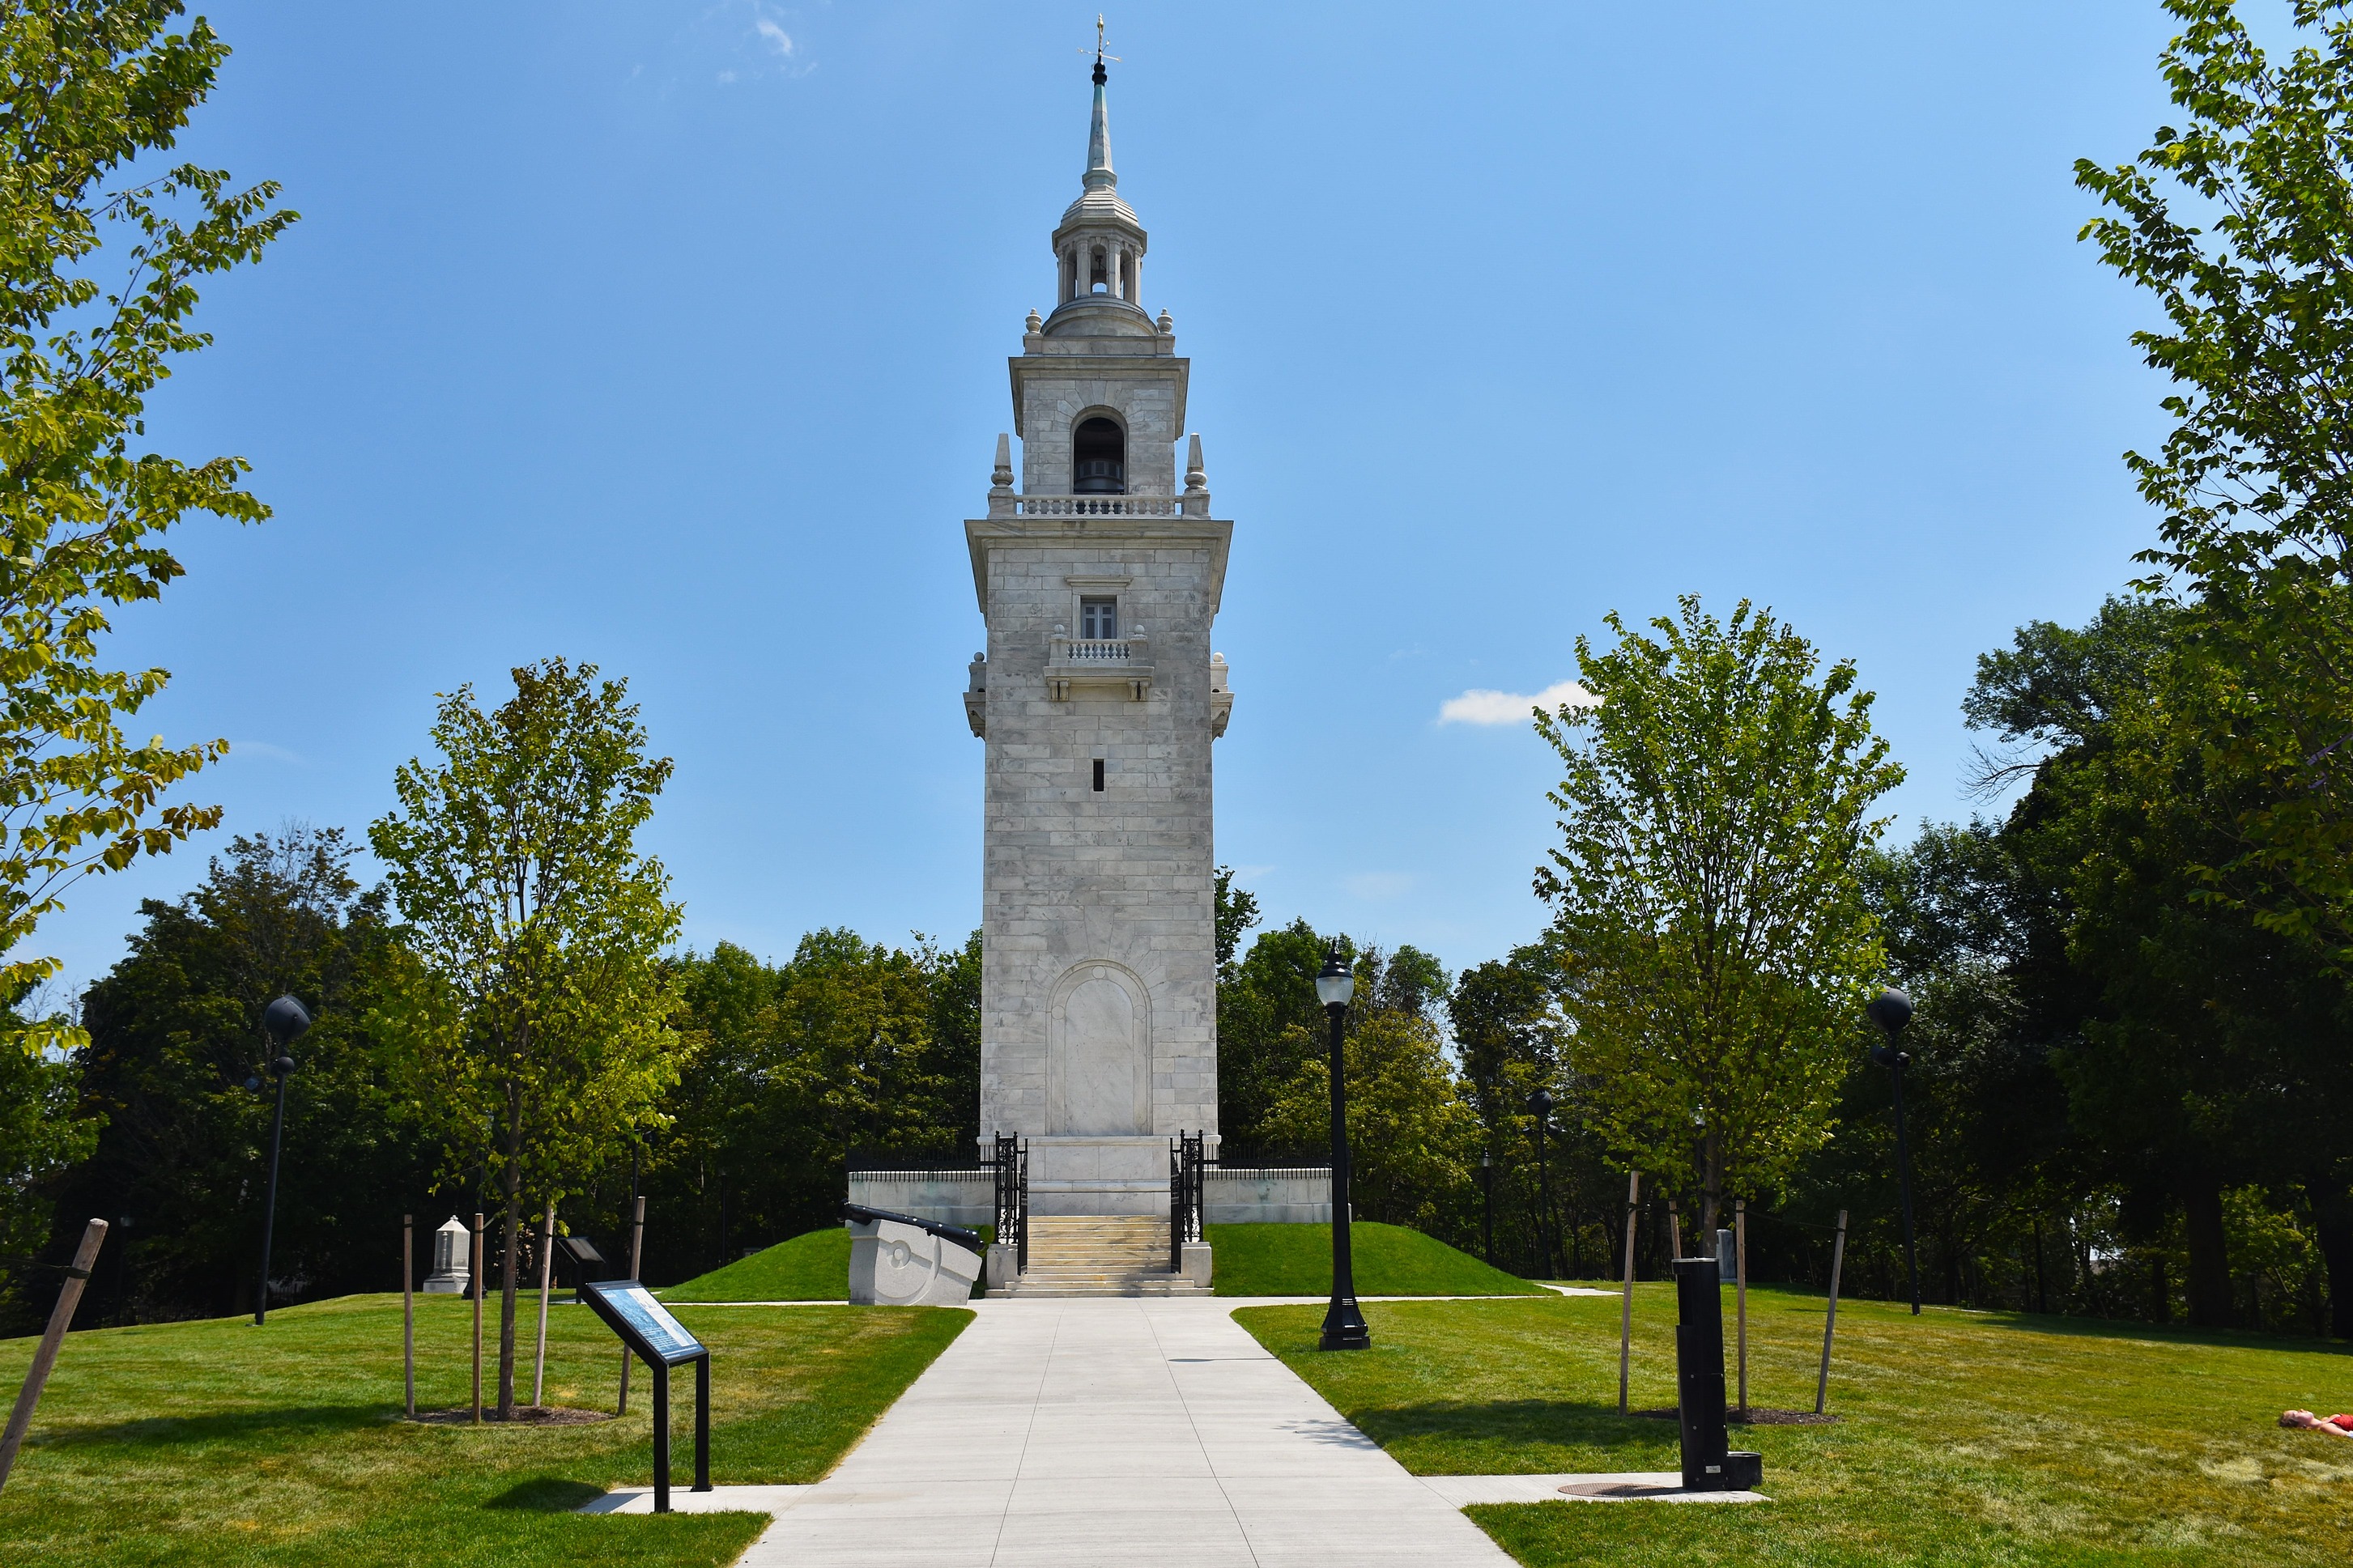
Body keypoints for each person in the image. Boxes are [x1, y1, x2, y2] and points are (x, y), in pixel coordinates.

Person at [2279, 1410, 2353, 1435]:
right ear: (2301, 1426)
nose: (2301, 1410)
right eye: (2296, 1413)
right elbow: (2349, 1436)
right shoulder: (2326, 1427)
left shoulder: (2326, 1420)